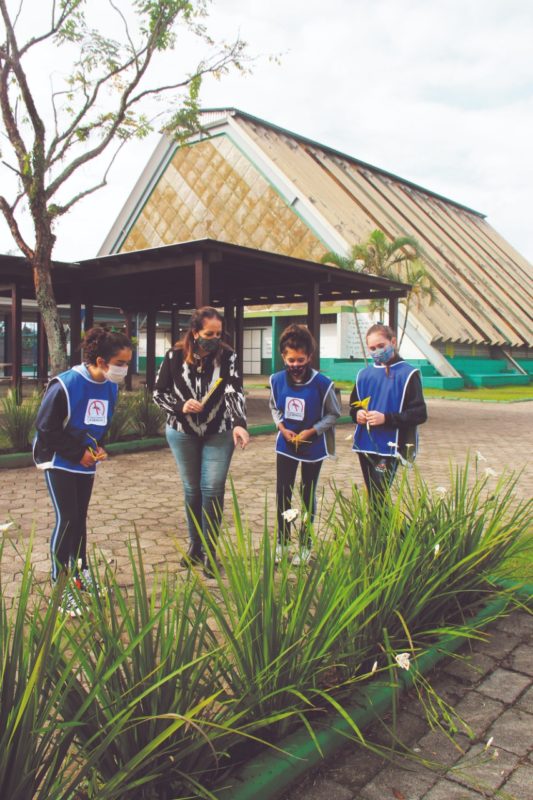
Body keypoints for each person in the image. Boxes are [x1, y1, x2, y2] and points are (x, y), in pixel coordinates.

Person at [34, 326, 132, 616]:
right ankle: (60, 586)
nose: (125, 369)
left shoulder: (111, 386)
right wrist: (79, 453)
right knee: (66, 519)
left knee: (79, 518)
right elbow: (45, 428)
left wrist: (99, 448)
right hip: (58, 458)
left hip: (85, 462)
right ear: (101, 361)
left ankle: (81, 573)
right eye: (121, 364)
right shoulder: (66, 384)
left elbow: (101, 424)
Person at [153, 306, 249, 577]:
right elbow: (158, 393)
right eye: (209, 333)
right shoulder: (173, 357)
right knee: (192, 490)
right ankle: (195, 545)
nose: (215, 338)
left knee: (212, 489)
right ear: (195, 333)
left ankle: (209, 551)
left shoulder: (228, 356)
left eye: (218, 333)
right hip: (182, 432)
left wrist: (239, 424)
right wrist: (181, 406)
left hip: (219, 430)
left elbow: (233, 389)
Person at [270, 324, 340, 565]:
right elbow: (274, 407)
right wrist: (281, 428)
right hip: (287, 445)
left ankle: (305, 544)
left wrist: (312, 430)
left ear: (309, 356)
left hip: (313, 447)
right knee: (283, 493)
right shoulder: (276, 380)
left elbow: (334, 413)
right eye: (291, 359)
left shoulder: (323, 383)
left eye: (301, 359)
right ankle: (282, 542)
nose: (296, 365)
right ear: (283, 357)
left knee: (307, 494)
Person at [350, 322, 427, 499]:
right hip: (365, 444)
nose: (377, 351)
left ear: (393, 342)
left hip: (390, 447)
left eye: (381, 346)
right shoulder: (363, 375)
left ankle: (385, 528)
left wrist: (386, 418)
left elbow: (419, 413)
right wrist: (358, 415)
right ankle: (380, 528)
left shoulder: (408, 374)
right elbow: (354, 407)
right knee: (373, 496)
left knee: (379, 495)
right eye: (372, 348)